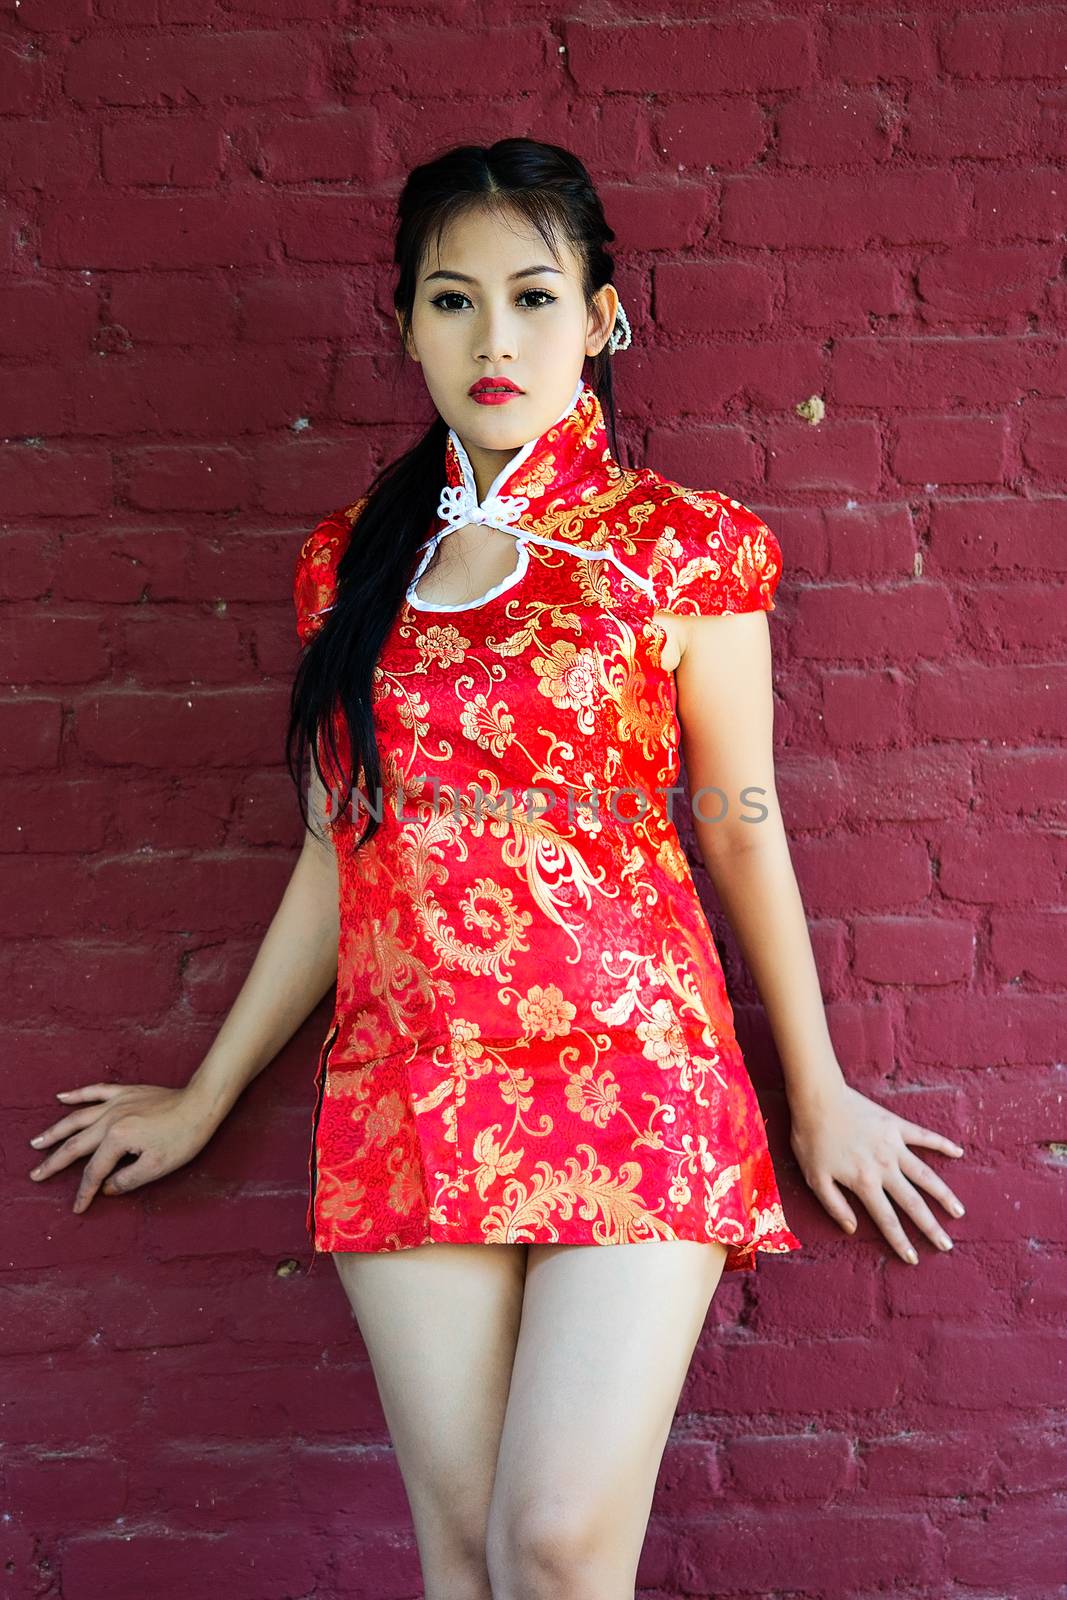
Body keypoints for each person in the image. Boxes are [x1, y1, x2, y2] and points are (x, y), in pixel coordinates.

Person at [27, 138, 968, 1599]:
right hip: (412, 1084)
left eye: (535, 298)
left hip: (636, 1075)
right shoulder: (351, 565)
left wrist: (819, 1088)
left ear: (602, 319)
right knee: (466, 1565)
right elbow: (341, 851)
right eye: (452, 303)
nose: (495, 340)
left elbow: (737, 816)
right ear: (405, 320)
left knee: (552, 1545)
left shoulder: (681, 549)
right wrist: (207, 1091)